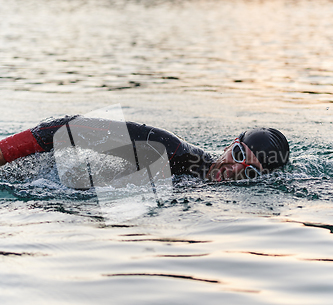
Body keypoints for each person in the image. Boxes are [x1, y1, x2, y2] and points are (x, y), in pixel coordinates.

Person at [0, 115, 289, 183]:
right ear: (230, 145)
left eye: (249, 172)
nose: (234, 168)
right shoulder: (172, 151)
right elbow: (65, 129)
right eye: (238, 155)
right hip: (53, 175)